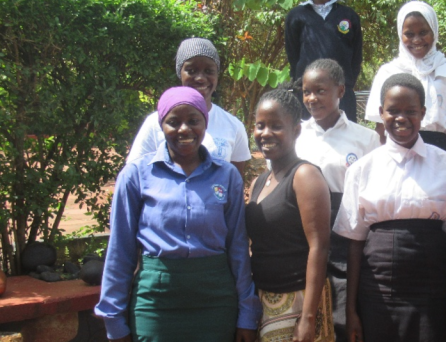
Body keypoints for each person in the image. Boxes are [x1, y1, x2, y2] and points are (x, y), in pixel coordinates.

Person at [96, 86, 259, 342]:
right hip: (155, 302)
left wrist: (247, 313)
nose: (184, 129)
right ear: (161, 125)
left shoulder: (227, 176)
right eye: (174, 122)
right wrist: (113, 318)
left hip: (216, 301)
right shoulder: (136, 175)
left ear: (205, 124)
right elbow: (120, 250)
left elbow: (238, 247)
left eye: (193, 121)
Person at [335, 73, 446, 342]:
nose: (401, 118)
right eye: (393, 111)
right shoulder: (362, 170)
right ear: (381, 113)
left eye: (410, 111)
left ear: (423, 113)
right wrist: (351, 309)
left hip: (433, 291)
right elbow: (354, 244)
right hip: (377, 292)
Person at [295, 58, 380, 342]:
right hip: (302, 238)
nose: (312, 98)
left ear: (341, 90)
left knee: (342, 315)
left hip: (344, 240)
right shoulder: (295, 135)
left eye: (320, 90)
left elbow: (370, 195)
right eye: (307, 91)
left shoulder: (365, 139)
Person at [247, 88, 334, 342]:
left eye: (276, 126)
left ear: (296, 130)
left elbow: (319, 247)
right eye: (260, 125)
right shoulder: (259, 182)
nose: (266, 133)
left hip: (298, 300)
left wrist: (308, 318)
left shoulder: (305, 176)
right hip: (263, 298)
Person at [364, 0, 446, 160]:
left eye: (423, 32)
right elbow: (380, 130)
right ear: (400, 34)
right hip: (395, 156)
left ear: (434, 32)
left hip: (439, 157)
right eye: (409, 34)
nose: (417, 40)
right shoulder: (387, 72)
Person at [127, 38, 251, 177]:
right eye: (191, 71)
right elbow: (134, 175)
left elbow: (235, 183)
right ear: (180, 73)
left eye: (209, 71)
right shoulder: (155, 123)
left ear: (217, 75)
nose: (200, 78)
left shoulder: (233, 126)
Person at [285, 0, 363, 122]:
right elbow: (293, 56)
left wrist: (345, 84)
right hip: (308, 99)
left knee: (345, 136)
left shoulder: (348, 16)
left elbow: (356, 58)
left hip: (342, 96)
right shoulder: (296, 16)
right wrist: (303, 85)